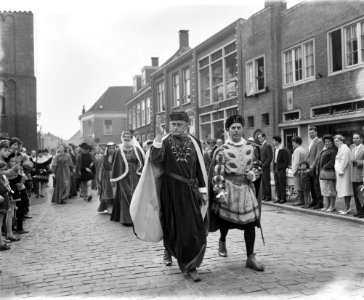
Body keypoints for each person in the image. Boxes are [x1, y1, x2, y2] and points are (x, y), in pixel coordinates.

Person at [150, 111, 208, 282]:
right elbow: (155, 159)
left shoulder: (195, 143)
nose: (175, 127)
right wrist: (159, 138)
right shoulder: (165, 142)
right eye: (173, 124)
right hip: (171, 191)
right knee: (173, 225)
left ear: (187, 125)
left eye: (179, 125)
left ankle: (190, 262)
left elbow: (199, 168)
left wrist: (203, 191)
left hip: (190, 191)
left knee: (192, 228)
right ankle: (183, 261)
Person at [209, 115, 264, 272]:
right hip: (229, 188)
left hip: (246, 189)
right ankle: (222, 240)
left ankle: (250, 257)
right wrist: (219, 192)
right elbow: (217, 173)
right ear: (227, 130)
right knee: (225, 221)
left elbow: (257, 166)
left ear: (243, 129)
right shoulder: (222, 150)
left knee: (250, 223)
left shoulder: (251, 147)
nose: (236, 130)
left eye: (239, 127)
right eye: (232, 128)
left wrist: (254, 173)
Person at [110, 130, 145, 225]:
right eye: (124, 136)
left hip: (135, 175)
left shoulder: (137, 150)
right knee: (125, 195)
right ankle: (126, 219)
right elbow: (115, 165)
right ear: (122, 138)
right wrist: (113, 178)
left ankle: (136, 218)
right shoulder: (118, 151)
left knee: (135, 195)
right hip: (123, 176)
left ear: (131, 138)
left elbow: (141, 162)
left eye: (128, 136)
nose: (126, 138)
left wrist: (141, 173)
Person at [312, 135, 337, 212]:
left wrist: (326, 166)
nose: (327, 143)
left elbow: (333, 161)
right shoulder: (325, 150)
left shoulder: (333, 150)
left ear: (332, 142)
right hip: (323, 173)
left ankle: (332, 206)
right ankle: (327, 205)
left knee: (331, 190)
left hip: (329, 172)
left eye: (328, 141)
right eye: (325, 142)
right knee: (325, 190)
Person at [334, 135, 353, 215]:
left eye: (337, 141)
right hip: (341, 173)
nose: (336, 143)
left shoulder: (344, 149)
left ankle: (347, 208)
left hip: (344, 173)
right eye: (335, 141)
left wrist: (340, 171)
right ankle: (346, 207)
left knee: (346, 190)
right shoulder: (340, 148)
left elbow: (344, 161)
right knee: (344, 190)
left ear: (342, 141)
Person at [306, 126, 324, 209]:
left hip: (315, 168)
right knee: (312, 186)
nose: (311, 134)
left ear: (316, 133)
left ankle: (319, 202)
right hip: (309, 167)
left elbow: (318, 155)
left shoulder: (319, 142)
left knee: (316, 186)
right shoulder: (311, 142)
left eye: (312, 133)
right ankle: (314, 201)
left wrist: (313, 166)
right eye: (309, 133)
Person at [97, 142, 115, 214]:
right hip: (106, 177)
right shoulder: (104, 158)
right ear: (107, 149)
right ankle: (109, 207)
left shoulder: (117, 157)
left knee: (114, 192)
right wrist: (99, 177)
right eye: (110, 148)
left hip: (115, 176)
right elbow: (101, 168)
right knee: (107, 192)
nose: (111, 150)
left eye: (112, 148)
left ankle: (114, 207)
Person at [272, 136, 290, 204]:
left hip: (281, 169)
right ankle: (279, 197)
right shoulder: (275, 149)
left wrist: (281, 167)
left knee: (282, 183)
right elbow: (274, 160)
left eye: (274, 140)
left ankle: (283, 198)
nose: (273, 142)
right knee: (277, 184)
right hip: (276, 169)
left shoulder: (283, 149)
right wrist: (274, 168)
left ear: (277, 141)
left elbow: (286, 161)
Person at [291, 136, 308, 206]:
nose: (292, 144)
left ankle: (301, 200)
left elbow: (296, 161)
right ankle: (304, 200)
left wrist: (294, 171)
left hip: (298, 170)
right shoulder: (303, 149)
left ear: (297, 143)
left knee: (298, 186)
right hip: (303, 169)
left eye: (293, 142)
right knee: (302, 185)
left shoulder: (297, 150)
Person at [350, 133, 364, 218]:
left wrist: (357, 162)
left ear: (361, 139)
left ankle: (363, 212)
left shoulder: (363, 148)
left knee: (361, 195)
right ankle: (358, 211)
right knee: (355, 195)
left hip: (361, 175)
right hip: (353, 176)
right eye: (353, 138)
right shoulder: (352, 149)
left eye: (357, 138)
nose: (355, 140)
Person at [257, 133, 273, 202]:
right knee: (262, 182)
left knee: (266, 182)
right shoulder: (261, 146)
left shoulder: (268, 146)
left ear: (264, 137)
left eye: (260, 138)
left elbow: (269, 158)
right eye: (258, 138)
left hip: (265, 167)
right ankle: (263, 196)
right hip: (261, 167)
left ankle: (268, 196)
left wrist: (264, 165)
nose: (259, 139)